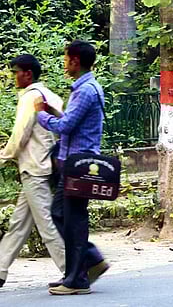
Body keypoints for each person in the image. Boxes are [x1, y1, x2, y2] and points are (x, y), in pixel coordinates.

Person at [34, 41, 108, 295]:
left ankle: (78, 279)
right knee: (60, 214)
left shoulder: (86, 90)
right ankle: (87, 263)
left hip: (79, 165)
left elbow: (65, 126)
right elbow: (71, 121)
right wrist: (54, 112)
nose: (64, 63)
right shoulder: (83, 88)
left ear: (75, 60)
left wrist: (40, 115)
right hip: (73, 162)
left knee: (74, 220)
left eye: (66, 59)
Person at [0, 55, 66, 288]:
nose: (14, 76)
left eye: (16, 71)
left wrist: (4, 155)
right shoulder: (48, 95)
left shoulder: (30, 97)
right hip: (42, 165)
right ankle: (0, 269)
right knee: (19, 224)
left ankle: (72, 270)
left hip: (34, 167)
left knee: (46, 224)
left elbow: (21, 132)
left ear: (27, 73)